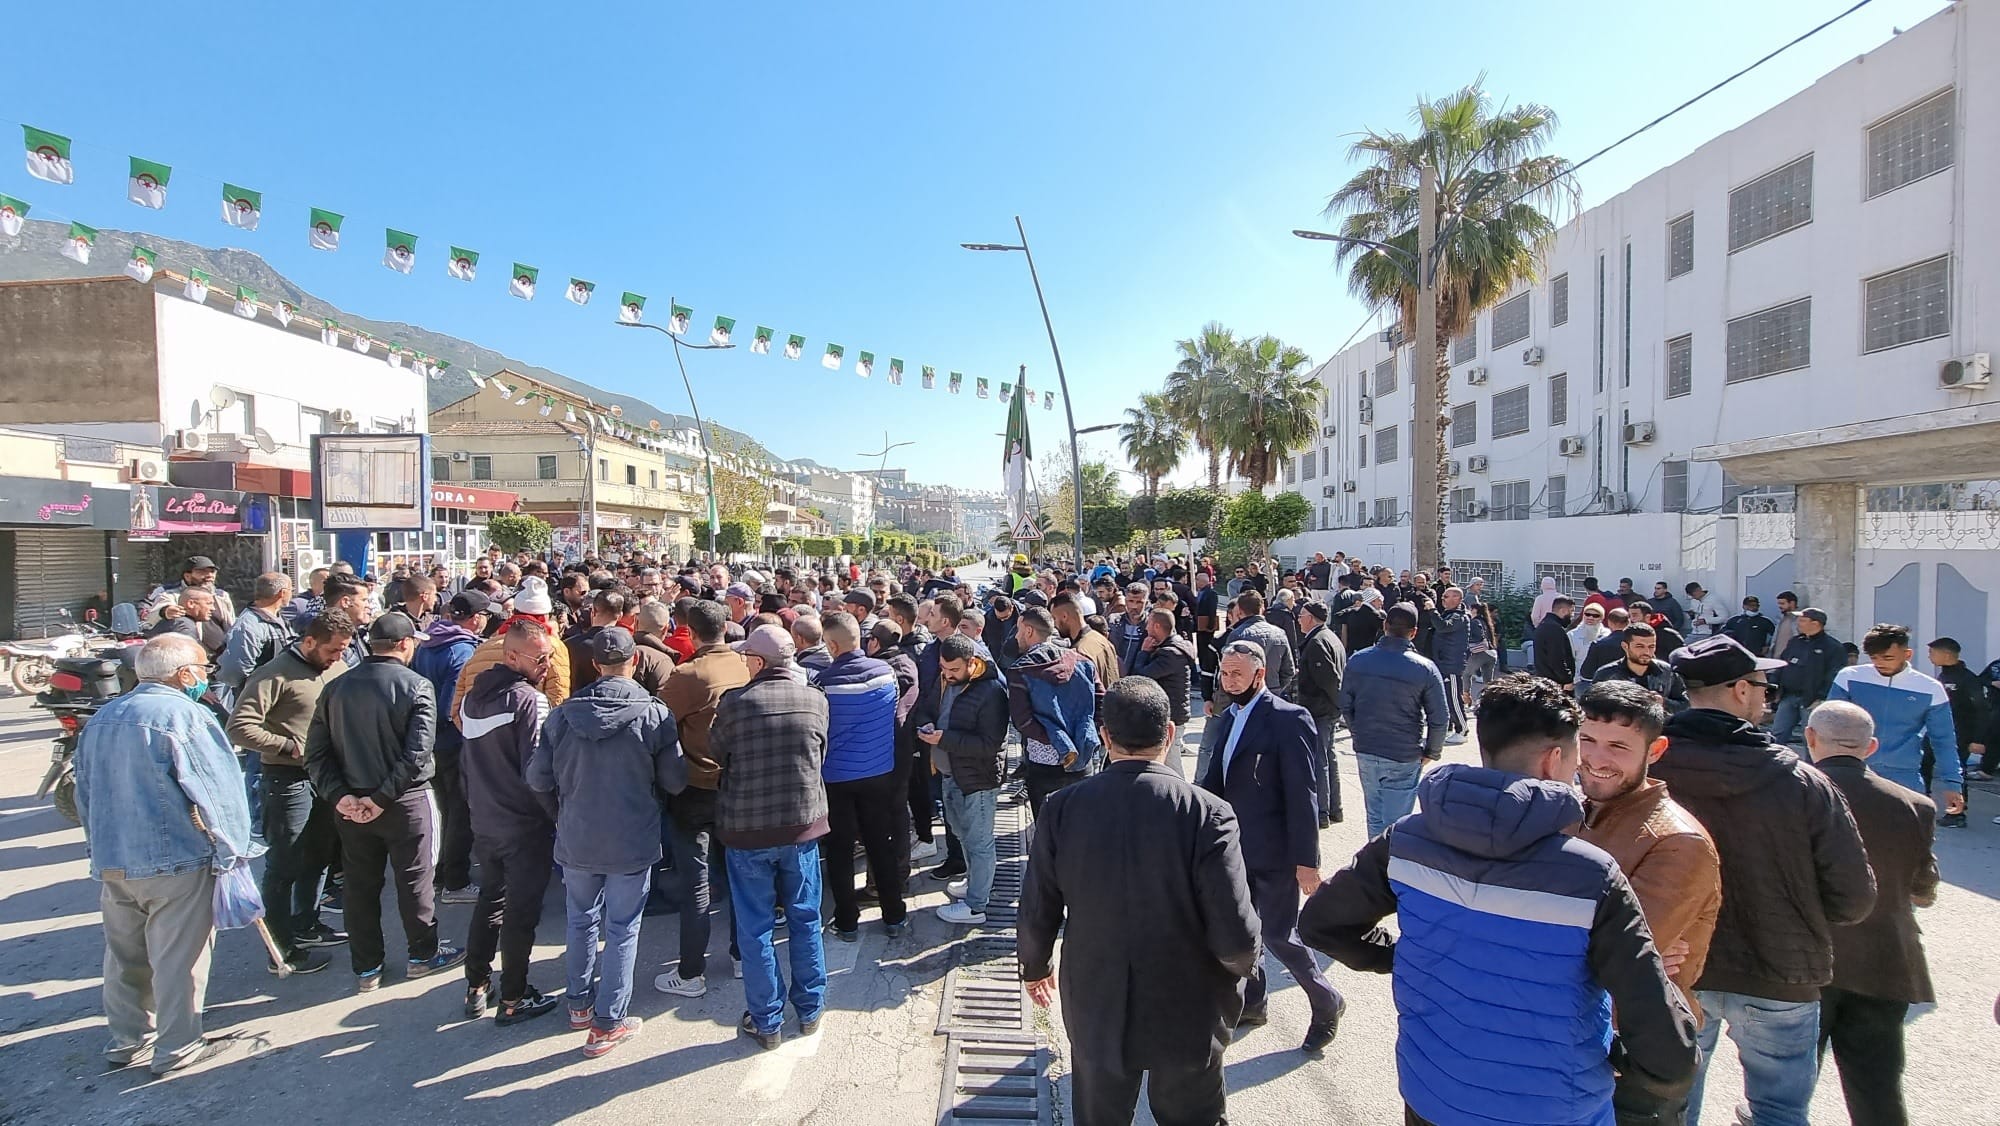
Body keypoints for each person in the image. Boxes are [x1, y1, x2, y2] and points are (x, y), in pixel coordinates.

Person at [1300, 674, 1699, 1126]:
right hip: (1554, 1110)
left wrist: (1402, 956)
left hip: (1431, 1094)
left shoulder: (1406, 841)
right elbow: (1668, 1052)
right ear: (1553, 760)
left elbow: (1321, 924)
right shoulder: (1591, 875)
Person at [1651, 635, 1876, 1125]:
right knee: (1779, 1112)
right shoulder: (1804, 782)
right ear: (1739, 690)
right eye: (1762, 686)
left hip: (1675, 964)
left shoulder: (1648, 771)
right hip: (1780, 969)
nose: (1766, 696)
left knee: (1669, 1106)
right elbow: (1852, 899)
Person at [1020, 678, 1261, 1126]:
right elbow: (1236, 931)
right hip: (1188, 999)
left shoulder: (1062, 807)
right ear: (1169, 733)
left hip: (1096, 995)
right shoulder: (1209, 813)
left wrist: (1035, 967)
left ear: (1104, 736)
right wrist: (1241, 971)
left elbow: (1039, 904)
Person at [76, 634, 255, 1075]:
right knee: (178, 959)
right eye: (203, 669)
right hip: (175, 857)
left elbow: (84, 793)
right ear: (184, 674)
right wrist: (234, 852)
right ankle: (177, 1046)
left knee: (125, 956)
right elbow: (218, 792)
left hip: (114, 857)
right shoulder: (185, 716)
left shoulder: (104, 717)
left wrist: (96, 845)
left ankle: (128, 1039)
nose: (206, 676)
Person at [530, 627, 688, 1057]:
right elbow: (675, 781)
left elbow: (538, 778)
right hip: (631, 837)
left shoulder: (562, 715)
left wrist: (562, 812)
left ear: (596, 665)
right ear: (634, 661)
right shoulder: (653, 714)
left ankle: (579, 1004)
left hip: (577, 834)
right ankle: (608, 1022)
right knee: (622, 928)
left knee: (580, 920)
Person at [1575, 681, 1722, 1123]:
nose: (1596, 758)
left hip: (1630, 1055)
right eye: (1587, 740)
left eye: (1618, 746)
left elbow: (1614, 962)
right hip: (1580, 1038)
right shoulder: (1576, 811)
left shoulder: (1676, 841)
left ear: (1655, 750)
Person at [1199, 640, 1344, 1052]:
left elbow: (1303, 793)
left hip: (1276, 850)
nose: (1229, 682)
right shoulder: (1229, 717)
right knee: (1244, 930)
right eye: (1225, 674)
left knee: (1280, 935)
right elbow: (1214, 782)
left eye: (1237, 675)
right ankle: (1254, 1002)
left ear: (1260, 675)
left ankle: (1326, 1000)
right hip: (1234, 847)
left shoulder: (1288, 719)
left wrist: (1306, 861)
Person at [1802, 701, 1938, 1126]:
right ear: (1871, 747)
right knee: (1878, 1093)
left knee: (1785, 1093)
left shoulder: (1793, 794)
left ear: (1810, 738)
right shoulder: (1915, 805)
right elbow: (1923, 890)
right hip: (1885, 962)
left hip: (1804, 962)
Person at [305, 613, 457, 991]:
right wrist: (380, 798)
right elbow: (417, 754)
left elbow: (316, 754)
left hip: (352, 804)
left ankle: (367, 966)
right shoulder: (416, 686)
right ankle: (422, 954)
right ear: (404, 644)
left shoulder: (336, 687)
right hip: (405, 801)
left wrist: (342, 797)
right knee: (415, 880)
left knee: (360, 885)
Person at [713, 625, 831, 1049]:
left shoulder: (734, 704)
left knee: (755, 927)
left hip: (747, 830)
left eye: (747, 656)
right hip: (801, 826)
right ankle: (811, 1009)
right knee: (805, 918)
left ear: (759, 662)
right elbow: (820, 753)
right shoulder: (815, 699)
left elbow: (717, 752)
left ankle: (767, 1021)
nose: (744, 662)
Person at [226, 611, 354, 973]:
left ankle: (307, 924)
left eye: (342, 650)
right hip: (287, 781)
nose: (337, 657)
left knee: (318, 856)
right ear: (309, 641)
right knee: (285, 864)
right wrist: (288, 746)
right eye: (332, 650)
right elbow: (239, 727)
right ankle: (281, 949)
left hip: (326, 778)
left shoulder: (337, 668)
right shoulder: (273, 674)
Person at [457, 620, 563, 1026]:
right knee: (521, 912)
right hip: (523, 825)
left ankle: (476, 985)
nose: (547, 666)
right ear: (512, 656)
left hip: (485, 820)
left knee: (490, 900)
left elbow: (467, 764)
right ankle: (515, 997)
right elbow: (538, 772)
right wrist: (557, 817)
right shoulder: (529, 701)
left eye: (549, 657)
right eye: (541, 659)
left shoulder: (472, 698)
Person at [814, 611, 908, 940]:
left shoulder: (824, 682)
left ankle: (847, 920)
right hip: (878, 773)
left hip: (837, 777)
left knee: (840, 849)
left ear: (832, 645)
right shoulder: (886, 673)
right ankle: (894, 915)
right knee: (880, 844)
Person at [913, 635, 1010, 927]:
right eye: (944, 668)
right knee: (962, 834)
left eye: (954, 669)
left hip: (977, 779)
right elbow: (929, 706)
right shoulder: (945, 679)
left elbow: (991, 744)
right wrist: (926, 722)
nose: (947, 674)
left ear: (972, 663)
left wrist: (945, 739)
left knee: (979, 842)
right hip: (950, 773)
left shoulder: (992, 691)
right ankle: (974, 883)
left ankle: (976, 906)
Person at [1829, 623, 1967, 827]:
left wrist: (1953, 782)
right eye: (1874, 657)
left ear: (1907, 654)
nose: (1879, 663)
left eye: (1887, 658)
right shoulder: (1848, 677)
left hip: (1904, 777)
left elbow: (1943, 740)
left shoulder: (1930, 689)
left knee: (1907, 840)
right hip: (1852, 772)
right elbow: (1829, 726)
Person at [1339, 603, 1449, 839]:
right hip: (1403, 751)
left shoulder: (1358, 660)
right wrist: (1432, 751)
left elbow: (1346, 705)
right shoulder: (1425, 668)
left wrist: (1358, 734)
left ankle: (1375, 856)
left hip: (1368, 747)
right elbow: (1440, 718)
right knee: (1397, 822)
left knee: (1375, 815)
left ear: (1385, 625)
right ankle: (1389, 859)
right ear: (1414, 632)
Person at [412, 590, 493, 907]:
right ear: (476, 618)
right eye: (485, 614)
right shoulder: (462, 651)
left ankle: (441, 873)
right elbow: (450, 707)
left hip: (429, 739)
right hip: (454, 742)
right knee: (460, 812)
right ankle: (455, 880)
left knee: (444, 810)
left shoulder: (428, 643)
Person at [1010, 607, 1105, 814]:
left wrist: (1055, 740)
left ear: (1028, 631)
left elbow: (1022, 721)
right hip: (1082, 758)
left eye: (1018, 630)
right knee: (1079, 824)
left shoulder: (1020, 670)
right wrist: (1083, 734)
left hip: (1043, 764)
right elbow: (1102, 704)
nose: (1016, 636)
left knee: (1047, 825)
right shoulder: (1083, 662)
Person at [1293, 600, 1346, 826]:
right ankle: (1334, 808)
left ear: (1311, 618)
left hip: (1320, 710)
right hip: (1326, 709)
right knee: (1328, 758)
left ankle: (1322, 812)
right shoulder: (1328, 637)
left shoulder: (1317, 642)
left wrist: (1338, 705)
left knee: (1319, 760)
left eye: (1301, 615)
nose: (1298, 619)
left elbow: (1329, 680)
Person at [1927, 635, 1988, 823]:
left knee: (1954, 772)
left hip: (1960, 734)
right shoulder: (1943, 676)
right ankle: (1921, 803)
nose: (1929, 656)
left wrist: (1978, 739)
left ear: (1946, 654)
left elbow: (1981, 709)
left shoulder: (1967, 679)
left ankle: (1957, 814)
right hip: (1937, 730)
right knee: (1923, 764)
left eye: (1932, 653)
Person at [1771, 608, 1843, 746]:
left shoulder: (1832, 647)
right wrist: (1774, 687)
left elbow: (1834, 674)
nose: (1798, 623)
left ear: (1815, 624)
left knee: (1810, 738)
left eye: (1803, 620)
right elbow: (1783, 664)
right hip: (1788, 697)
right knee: (1778, 733)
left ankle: (1811, 761)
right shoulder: (1795, 642)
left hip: (1811, 700)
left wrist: (1821, 697)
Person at [1589, 622, 1690, 712]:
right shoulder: (1607, 675)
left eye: (1651, 646)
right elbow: (1592, 708)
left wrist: (1663, 702)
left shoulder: (1667, 672)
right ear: (1625, 646)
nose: (1647, 652)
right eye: (1640, 646)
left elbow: (1685, 705)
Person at [1128, 607, 1198, 734]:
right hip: (1166, 715)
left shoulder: (1170, 654)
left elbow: (1141, 678)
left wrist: (1144, 652)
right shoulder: (1170, 646)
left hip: (1170, 718)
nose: (1146, 628)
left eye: (1148, 624)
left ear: (1157, 626)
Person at [1053, 592, 1121, 692]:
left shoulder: (1079, 653)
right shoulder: (1102, 639)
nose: (1054, 624)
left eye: (1054, 618)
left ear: (1064, 616)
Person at [1533, 595, 1578, 690]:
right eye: (1571, 611)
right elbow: (1557, 659)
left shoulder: (1544, 625)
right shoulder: (1554, 629)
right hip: (1555, 683)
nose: (1572, 615)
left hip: (1545, 679)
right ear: (1563, 611)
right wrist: (1567, 679)